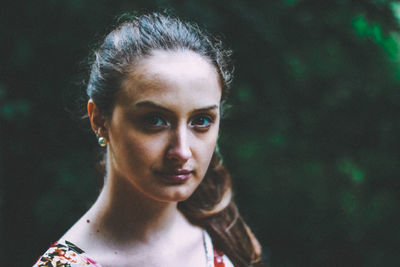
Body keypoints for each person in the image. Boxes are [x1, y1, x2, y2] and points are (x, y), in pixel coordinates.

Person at [34, 12, 263, 267]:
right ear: (99, 120)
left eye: (201, 121)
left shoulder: (227, 237)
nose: (182, 151)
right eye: (155, 120)